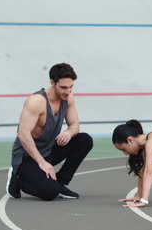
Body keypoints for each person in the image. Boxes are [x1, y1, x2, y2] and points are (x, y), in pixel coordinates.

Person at [6, 63, 93, 201]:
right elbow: (23, 134)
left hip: (48, 151)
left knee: (84, 140)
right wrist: (41, 162)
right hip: (27, 157)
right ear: (52, 83)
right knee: (50, 193)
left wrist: (68, 133)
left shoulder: (68, 98)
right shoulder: (36, 101)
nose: (68, 91)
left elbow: (75, 126)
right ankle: (17, 177)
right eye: (63, 87)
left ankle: (60, 182)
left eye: (71, 87)